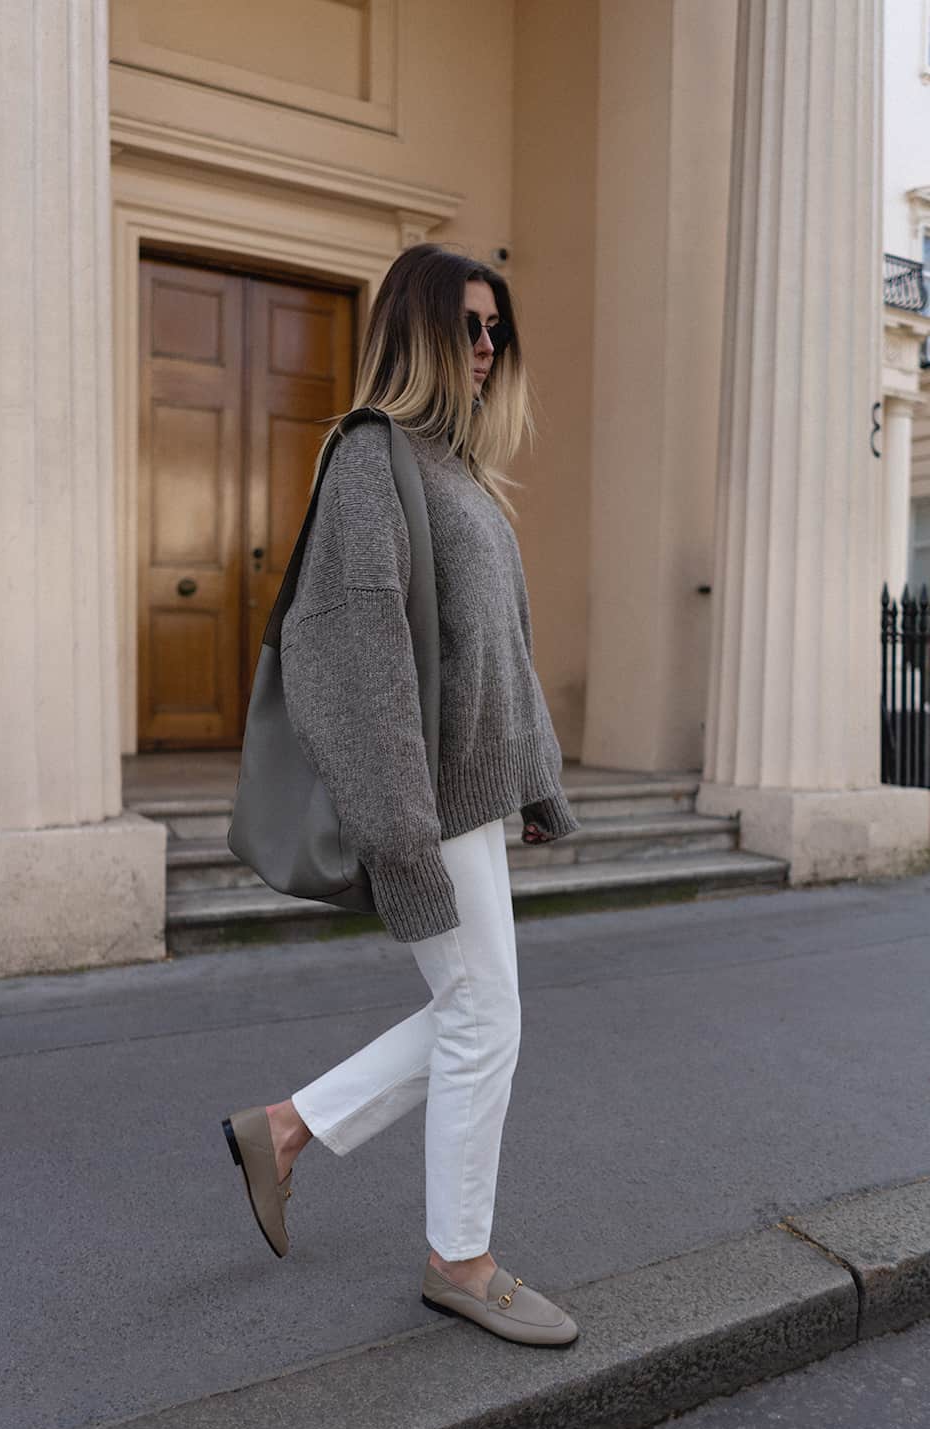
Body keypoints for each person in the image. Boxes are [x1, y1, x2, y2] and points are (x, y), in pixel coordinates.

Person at [221, 242, 582, 1347]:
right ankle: (457, 1262)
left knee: (480, 1014)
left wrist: (536, 785)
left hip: (466, 800)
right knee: (484, 1015)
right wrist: (403, 838)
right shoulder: (373, 457)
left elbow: (496, 656)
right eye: (468, 327)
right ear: (418, 331)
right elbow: (354, 664)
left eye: (496, 331)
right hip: (420, 808)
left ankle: (284, 1130)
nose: (486, 349)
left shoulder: (460, 473)